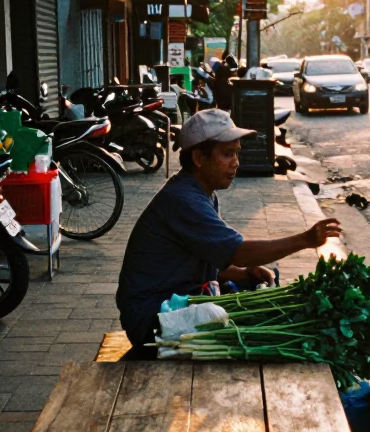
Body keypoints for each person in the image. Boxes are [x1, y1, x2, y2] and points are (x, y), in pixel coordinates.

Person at [116, 109, 342, 358]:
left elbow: (212, 261)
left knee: (250, 299)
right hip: (151, 318)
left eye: (236, 153)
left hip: (176, 300)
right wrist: (305, 240)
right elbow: (240, 252)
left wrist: (245, 274)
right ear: (199, 158)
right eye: (227, 154)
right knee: (239, 327)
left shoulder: (203, 193)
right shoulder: (183, 200)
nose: (236, 162)